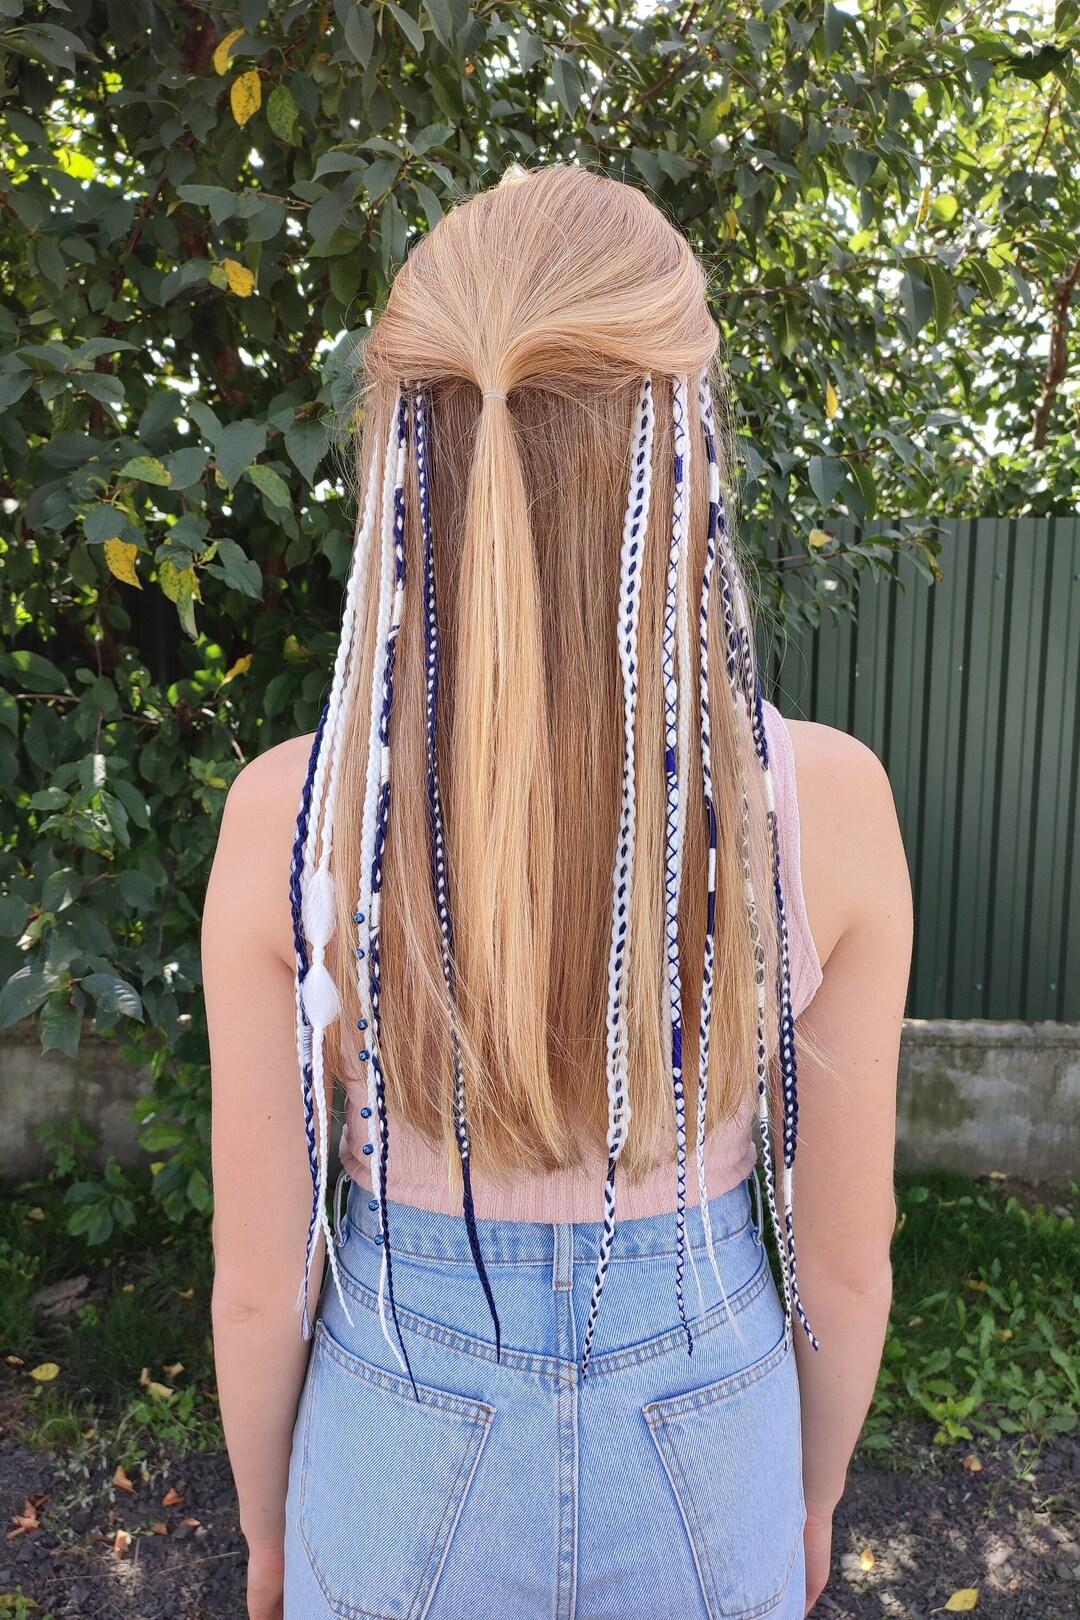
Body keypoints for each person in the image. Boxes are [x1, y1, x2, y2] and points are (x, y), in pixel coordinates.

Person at [202, 161, 913, 1620]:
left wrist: (274, 1538)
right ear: (685, 447)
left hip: (397, 1439)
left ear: (402, 449)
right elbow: (848, 1266)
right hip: (709, 1425)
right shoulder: (824, 805)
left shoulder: (293, 817)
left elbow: (260, 1289)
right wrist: (815, 1491)